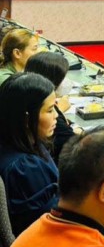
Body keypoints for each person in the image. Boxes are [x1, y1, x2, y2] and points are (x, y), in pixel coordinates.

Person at [0, 72, 59, 235]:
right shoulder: (24, 168)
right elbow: (50, 223)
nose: (56, 116)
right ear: (27, 118)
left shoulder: (19, 141)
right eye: (50, 110)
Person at [25, 51, 82, 162]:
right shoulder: (49, 116)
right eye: (63, 78)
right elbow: (74, 146)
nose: (55, 115)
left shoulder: (26, 96)